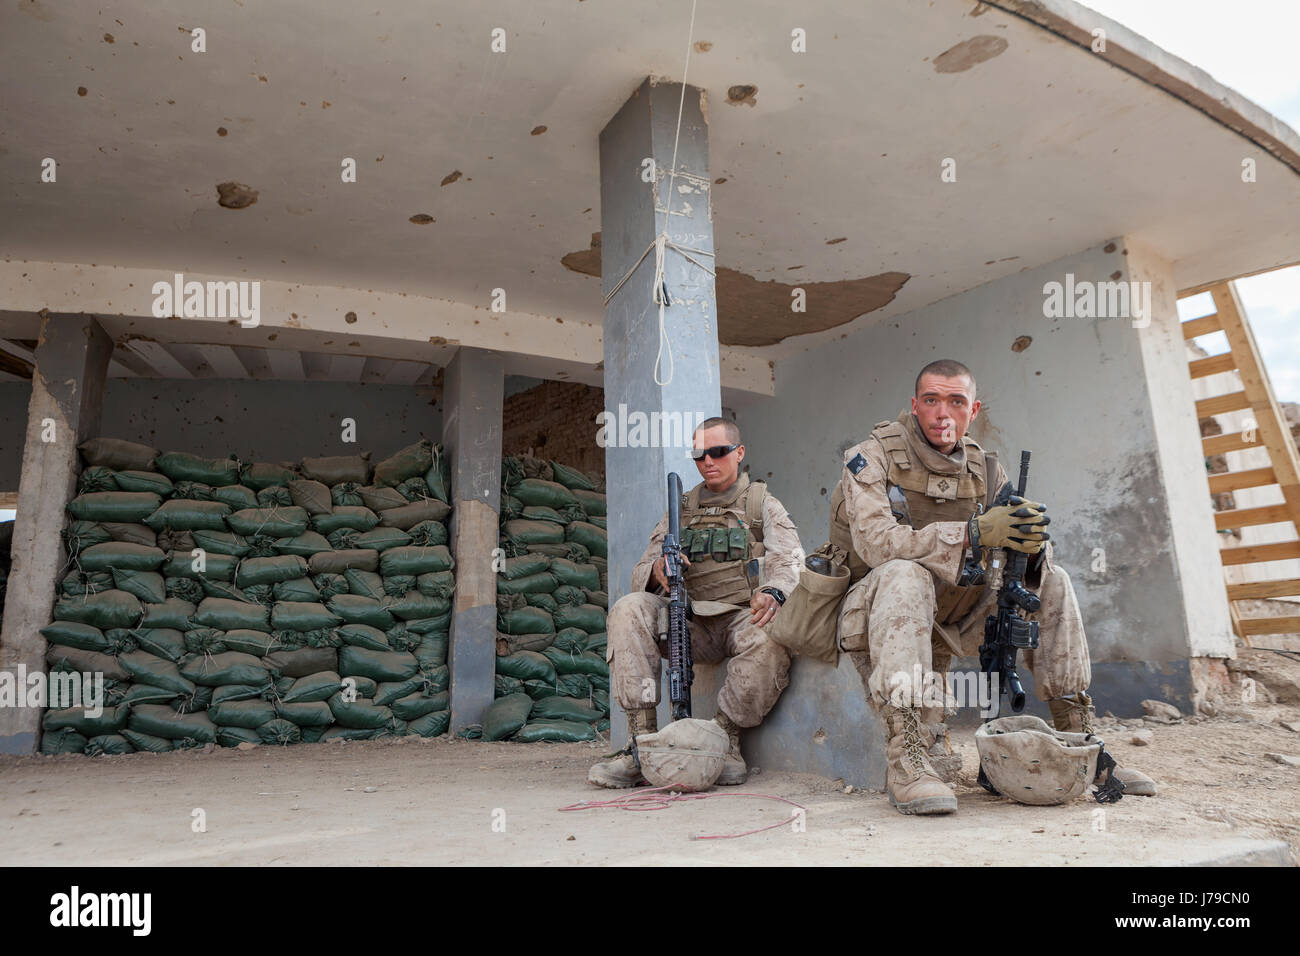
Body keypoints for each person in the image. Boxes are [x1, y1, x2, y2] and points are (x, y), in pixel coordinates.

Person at [831, 359, 1157, 814]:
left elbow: (1008, 548)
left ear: (974, 409)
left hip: (959, 608)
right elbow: (877, 545)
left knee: (1052, 580)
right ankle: (907, 759)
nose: (942, 413)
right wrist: (974, 534)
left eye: (956, 401)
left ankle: (1083, 744)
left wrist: (1031, 546)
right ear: (915, 405)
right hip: (882, 609)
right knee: (905, 572)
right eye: (931, 400)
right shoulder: (871, 456)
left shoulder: (985, 468)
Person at [588, 417, 802, 788]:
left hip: (740, 617)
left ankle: (723, 740)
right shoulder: (680, 509)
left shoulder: (761, 504)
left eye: (718, 452)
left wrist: (774, 591)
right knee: (628, 609)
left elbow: (790, 563)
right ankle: (640, 743)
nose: (708, 462)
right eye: (699, 455)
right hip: (687, 621)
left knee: (771, 635)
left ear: (739, 453)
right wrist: (658, 571)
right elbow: (641, 568)